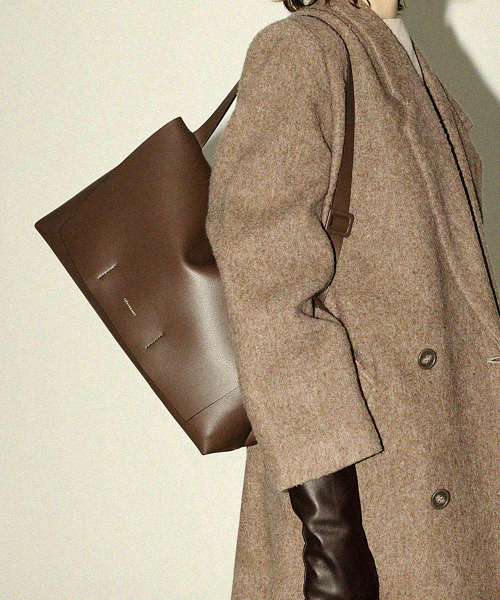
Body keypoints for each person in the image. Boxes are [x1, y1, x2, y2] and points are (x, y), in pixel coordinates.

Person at [206, 0, 500, 598]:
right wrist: (332, 540)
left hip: (449, 467)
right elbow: (270, 297)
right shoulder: (302, 52)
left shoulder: (404, 54)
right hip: (374, 500)